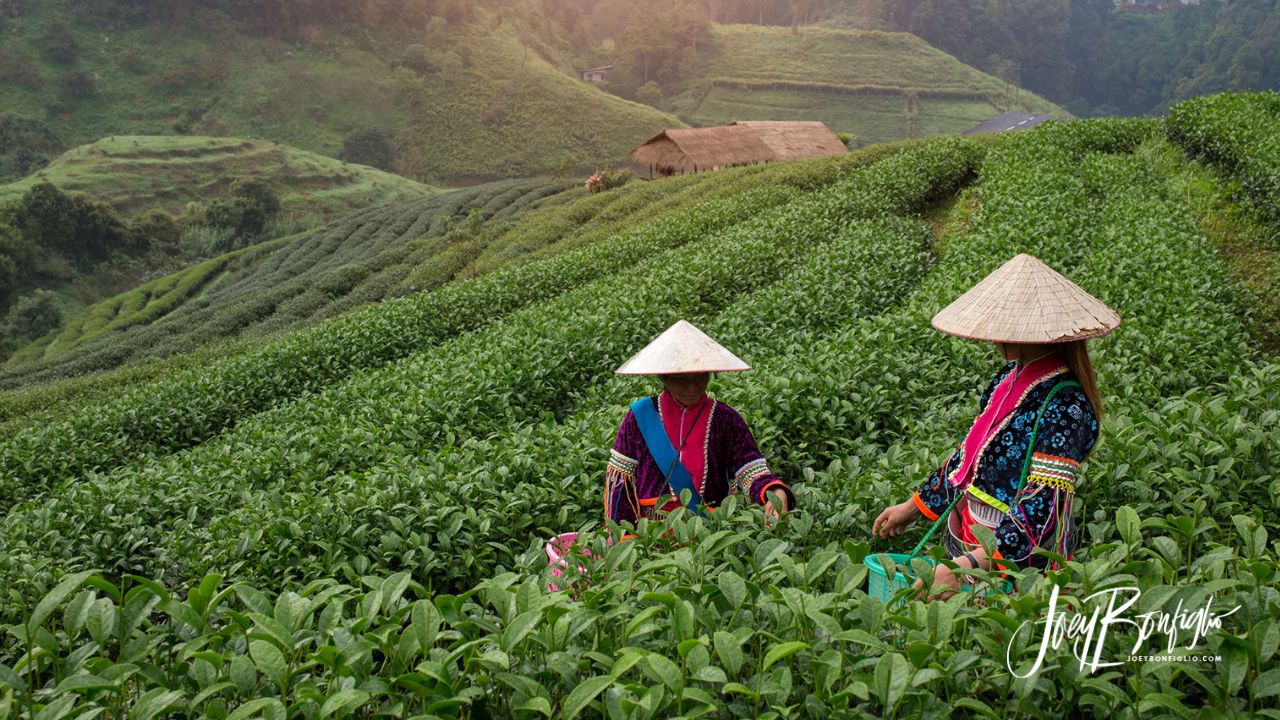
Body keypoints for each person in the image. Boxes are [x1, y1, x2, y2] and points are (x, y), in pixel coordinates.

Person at [872, 253, 1121, 602]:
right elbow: (970, 458)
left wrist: (970, 566)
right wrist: (913, 506)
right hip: (975, 536)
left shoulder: (1067, 406)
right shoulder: (1008, 377)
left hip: (1011, 555)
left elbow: (1043, 504)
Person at [605, 319, 796, 529]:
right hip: (654, 534)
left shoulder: (725, 419)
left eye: (700, 375)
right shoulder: (638, 418)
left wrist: (775, 492)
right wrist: (626, 538)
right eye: (681, 378)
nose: (692, 386)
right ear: (663, 377)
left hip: (711, 533)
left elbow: (751, 469)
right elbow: (620, 486)